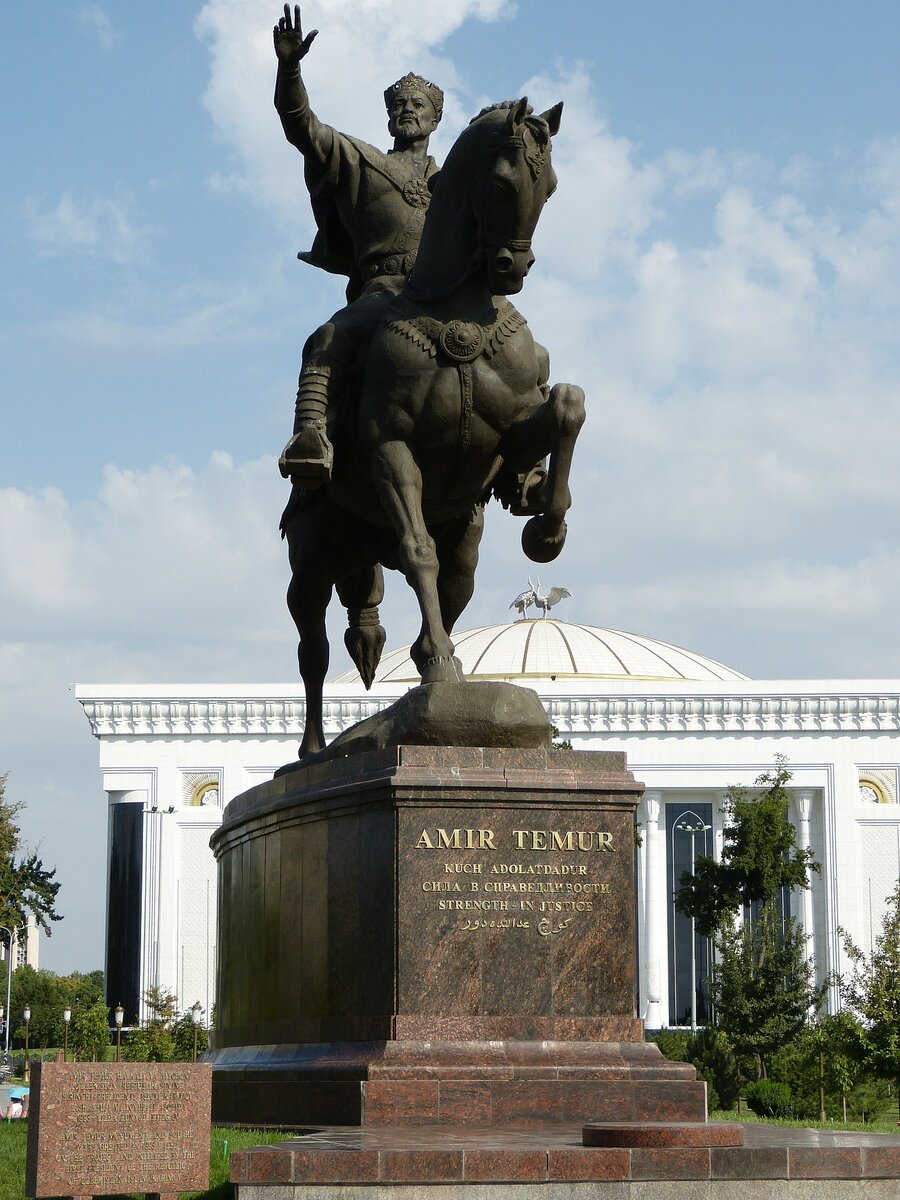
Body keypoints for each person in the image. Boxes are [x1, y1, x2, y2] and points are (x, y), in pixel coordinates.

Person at [272, 4, 444, 487]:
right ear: (388, 118)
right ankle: (310, 435)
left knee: (529, 357)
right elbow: (301, 125)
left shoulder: (453, 183)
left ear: (435, 119)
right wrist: (290, 69)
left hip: (447, 293)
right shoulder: (361, 161)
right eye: (399, 105)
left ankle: (526, 466)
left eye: (418, 104)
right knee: (327, 339)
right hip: (384, 293)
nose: (407, 110)